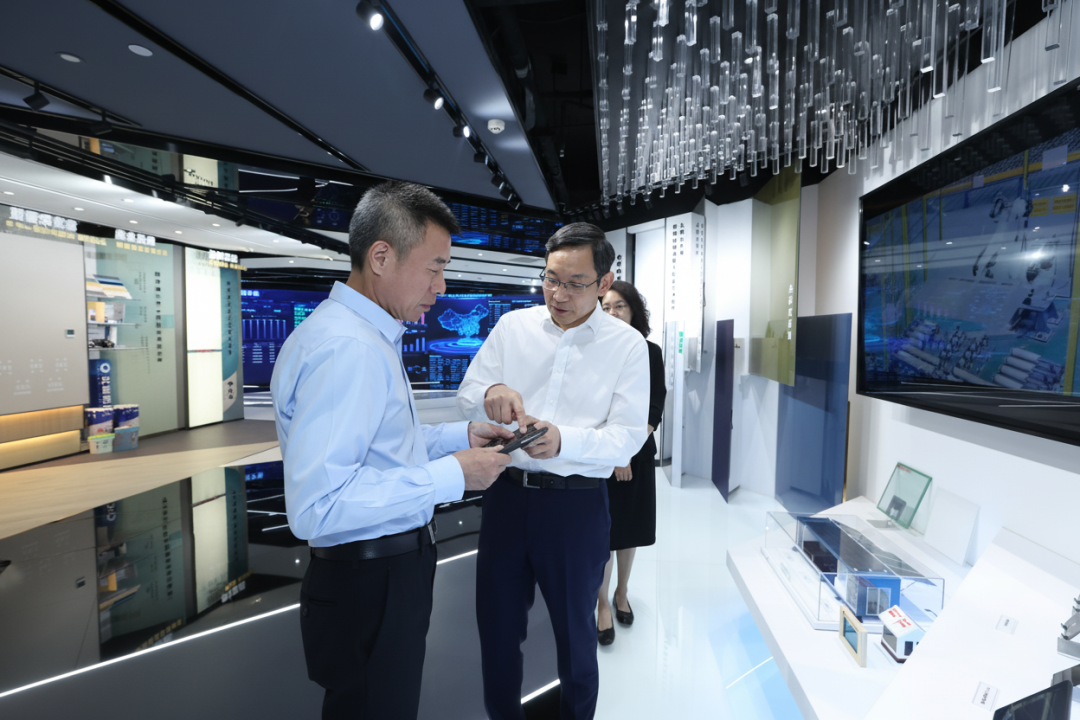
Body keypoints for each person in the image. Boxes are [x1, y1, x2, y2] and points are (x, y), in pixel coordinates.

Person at [270, 180, 513, 720]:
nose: (441, 287)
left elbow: (382, 447)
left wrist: (461, 438)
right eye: (434, 268)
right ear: (381, 257)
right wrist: (453, 476)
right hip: (369, 581)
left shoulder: (364, 335)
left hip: (376, 575)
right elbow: (320, 506)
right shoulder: (349, 348)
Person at [456, 223, 650, 720]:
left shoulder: (627, 346)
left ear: (604, 283)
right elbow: (468, 392)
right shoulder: (512, 328)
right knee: (498, 634)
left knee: (576, 640)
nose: (559, 295)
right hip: (507, 497)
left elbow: (628, 436)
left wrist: (564, 440)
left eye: (575, 284)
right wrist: (490, 393)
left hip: (576, 507)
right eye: (550, 279)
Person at [595, 281, 666, 646]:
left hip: (636, 455)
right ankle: (602, 603)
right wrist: (614, 453)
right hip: (602, 454)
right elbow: (594, 408)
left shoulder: (650, 351)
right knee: (604, 532)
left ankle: (622, 592)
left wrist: (627, 452)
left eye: (619, 306)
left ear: (634, 311)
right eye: (606, 307)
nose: (612, 313)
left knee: (629, 529)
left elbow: (655, 404)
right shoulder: (595, 350)